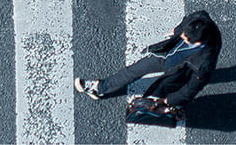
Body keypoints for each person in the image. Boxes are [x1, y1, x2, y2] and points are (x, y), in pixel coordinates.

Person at [74, 10, 221, 115]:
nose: (182, 36)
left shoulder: (204, 64)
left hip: (179, 70)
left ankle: (172, 108)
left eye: (186, 38)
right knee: (133, 70)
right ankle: (100, 88)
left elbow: (190, 89)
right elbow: (187, 21)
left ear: (199, 42)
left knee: (159, 94)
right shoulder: (200, 19)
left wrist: (168, 101)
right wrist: (176, 30)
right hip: (164, 55)